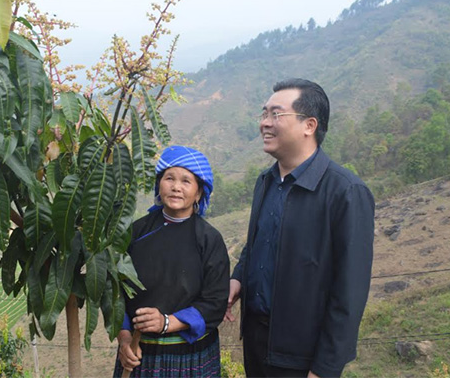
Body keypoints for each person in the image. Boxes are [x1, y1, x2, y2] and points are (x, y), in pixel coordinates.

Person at [225, 78, 375, 378]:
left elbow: (350, 291)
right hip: (257, 345)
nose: (265, 123)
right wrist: (238, 279)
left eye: (276, 114)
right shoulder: (266, 182)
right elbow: (257, 245)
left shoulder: (345, 192)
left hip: (302, 357)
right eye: (263, 113)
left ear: (309, 125)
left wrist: (325, 368)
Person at [113, 145, 230, 377]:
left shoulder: (209, 240)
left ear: (198, 193)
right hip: (139, 353)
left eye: (186, 181)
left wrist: (167, 322)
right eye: (169, 178)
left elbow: (215, 302)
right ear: (159, 185)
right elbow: (115, 290)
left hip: (189, 355)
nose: (176, 187)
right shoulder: (136, 232)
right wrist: (124, 338)